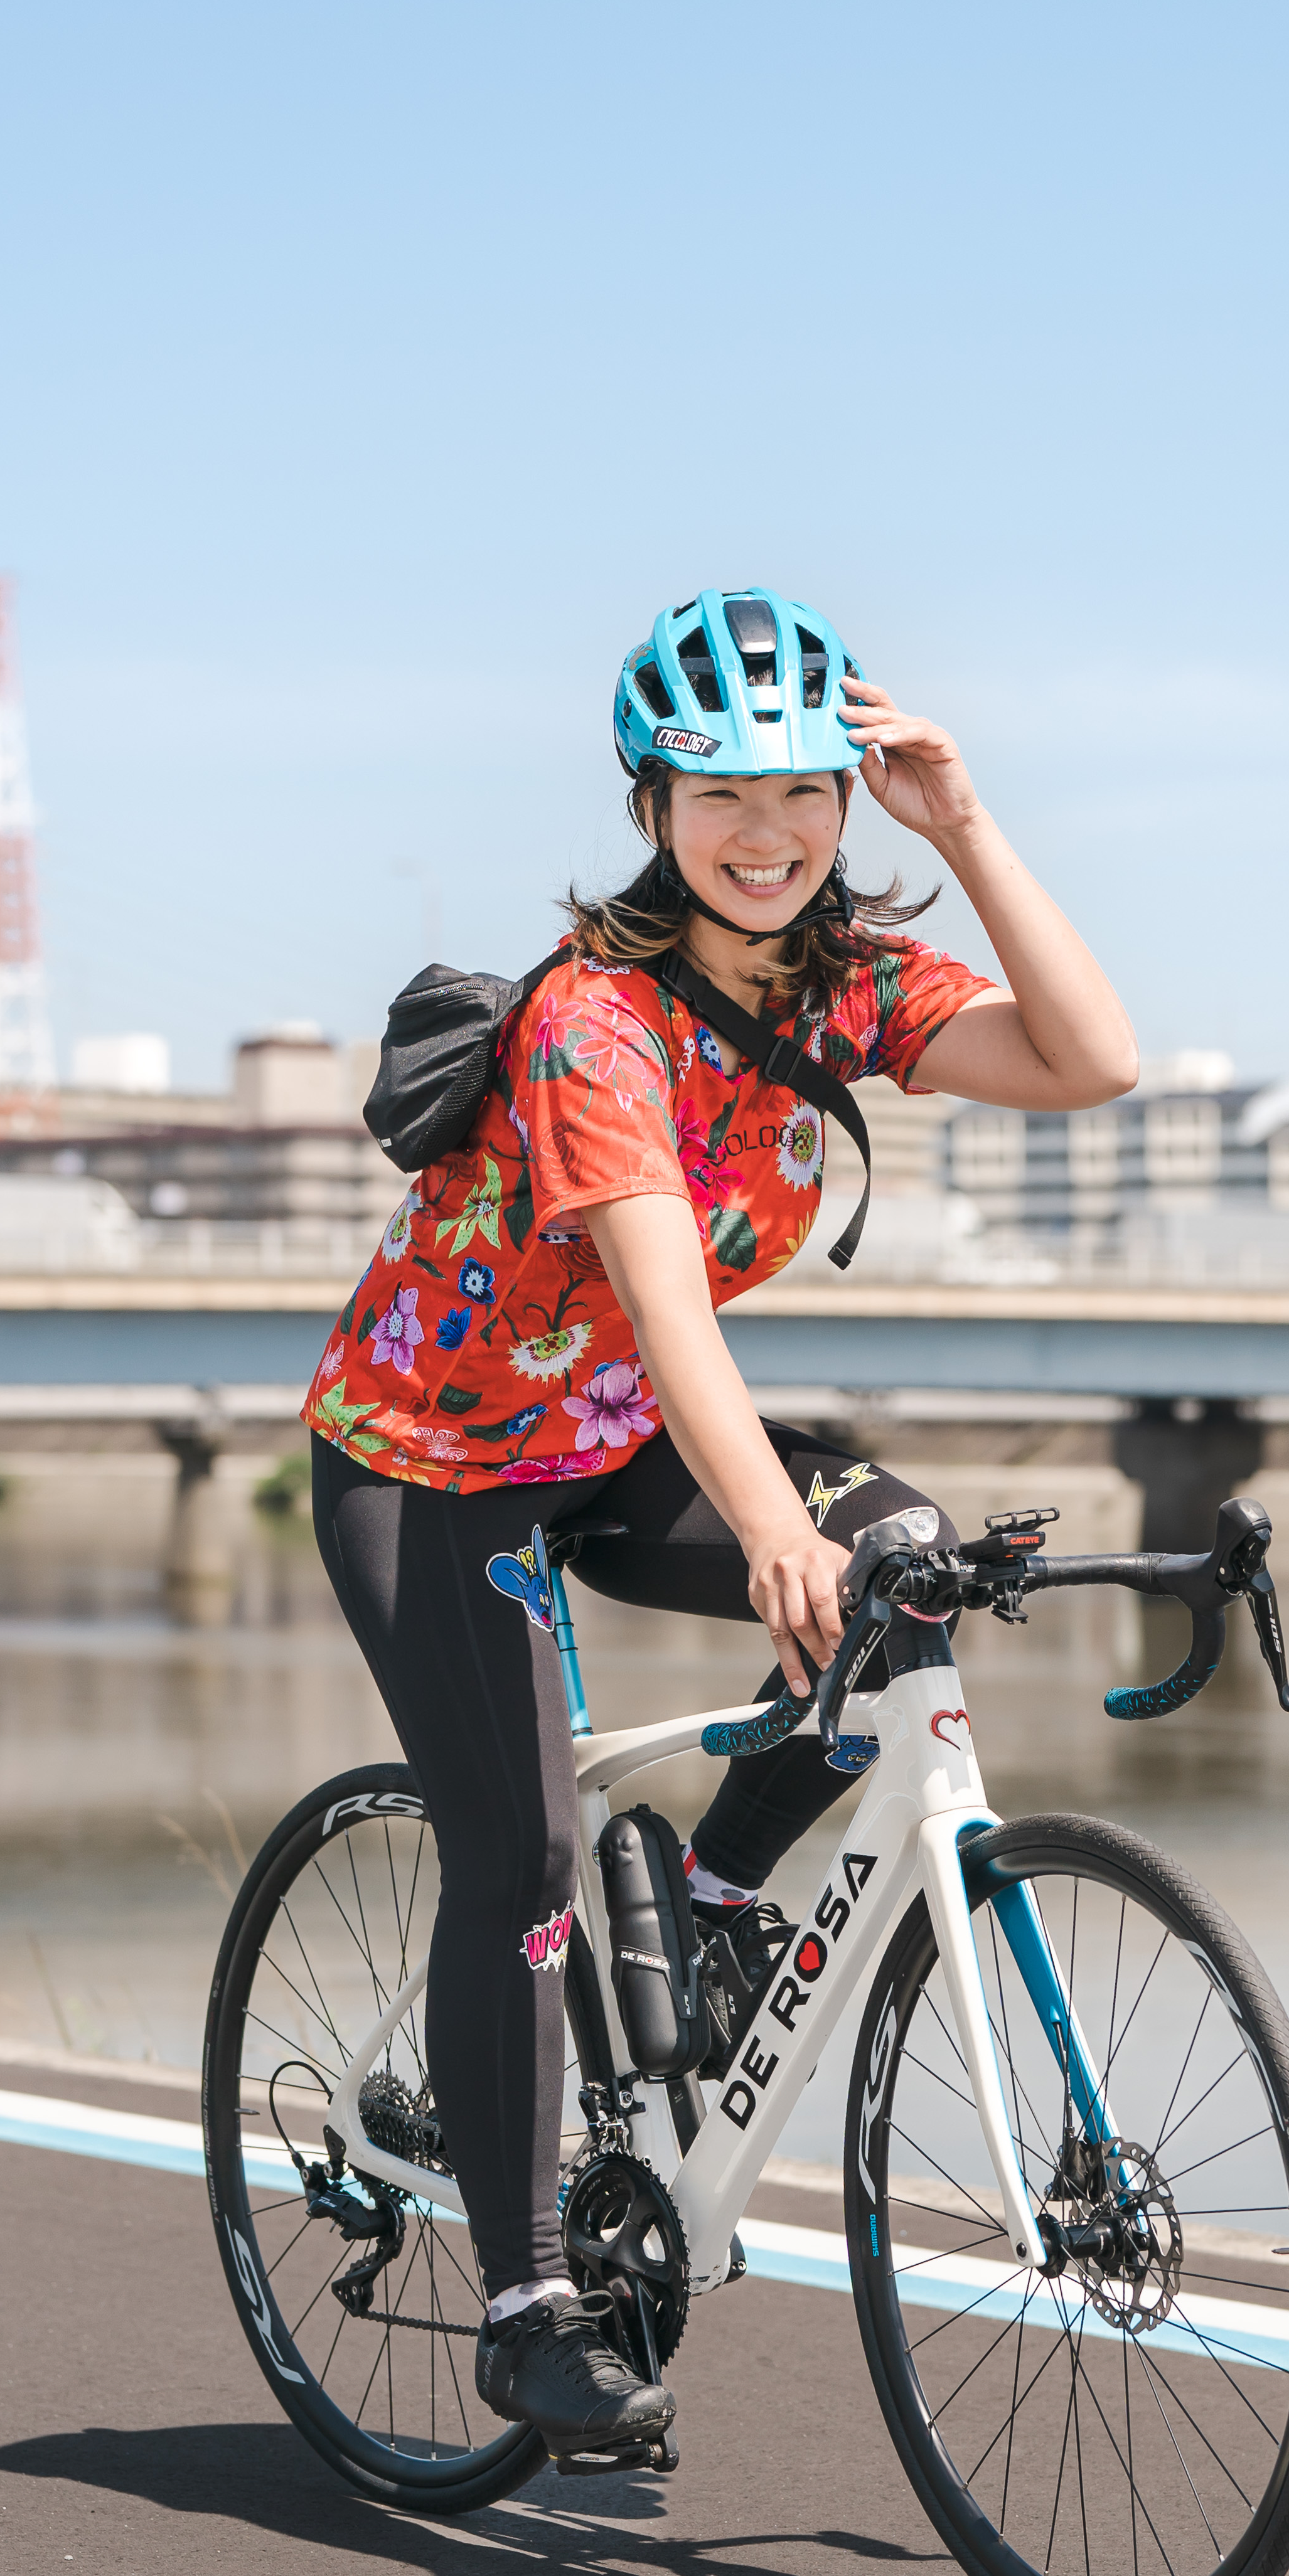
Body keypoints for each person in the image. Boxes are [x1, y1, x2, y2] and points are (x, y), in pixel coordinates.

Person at [307, 587, 1137, 2459]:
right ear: (651, 803)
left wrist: (965, 822)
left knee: (906, 1561)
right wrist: (770, 1530)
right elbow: (666, 1295)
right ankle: (523, 2305)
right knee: (516, 1858)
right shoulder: (595, 1018)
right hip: (435, 1462)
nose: (764, 836)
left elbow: (1090, 1063)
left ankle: (706, 1901)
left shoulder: (843, 981)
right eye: (717, 796)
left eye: (803, 794)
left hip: (606, 1439)